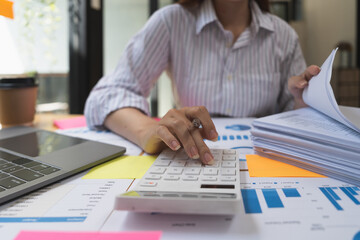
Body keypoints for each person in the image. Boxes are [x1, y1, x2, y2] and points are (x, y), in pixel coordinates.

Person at [84, 0, 320, 165]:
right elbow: (105, 96)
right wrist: (148, 131)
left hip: (265, 162)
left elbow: (298, 121)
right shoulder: (172, 21)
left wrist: (302, 102)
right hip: (191, 156)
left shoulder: (284, 35)